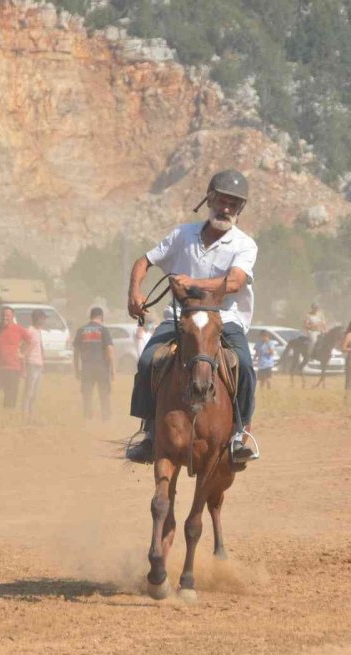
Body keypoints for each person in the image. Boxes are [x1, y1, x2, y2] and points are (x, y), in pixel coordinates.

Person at [125, 168, 258, 464]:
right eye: (221, 200)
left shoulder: (244, 244)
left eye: (232, 204)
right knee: (148, 361)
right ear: (209, 199)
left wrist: (193, 283)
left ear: (240, 209)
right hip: (180, 316)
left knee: (246, 367)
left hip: (225, 318)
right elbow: (144, 261)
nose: (225, 208)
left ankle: (239, 435)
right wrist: (135, 292)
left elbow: (234, 283)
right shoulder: (181, 235)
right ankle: (149, 433)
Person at [0, 305, 32, 410]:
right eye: (3, 315)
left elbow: (30, 342)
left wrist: (23, 354)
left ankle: (7, 419)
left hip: (13, 368)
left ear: (12, 316)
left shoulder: (18, 329)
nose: (5, 317)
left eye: (7, 315)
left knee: (10, 397)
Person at [73, 307, 115, 420]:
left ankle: (87, 418)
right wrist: (112, 370)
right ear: (101, 317)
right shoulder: (104, 330)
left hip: (87, 368)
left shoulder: (81, 330)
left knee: (87, 395)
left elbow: (76, 353)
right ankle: (106, 419)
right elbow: (109, 350)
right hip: (102, 368)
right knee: (104, 395)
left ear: (91, 317)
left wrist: (77, 370)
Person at [22, 309, 47, 419]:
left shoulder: (39, 331)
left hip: (39, 364)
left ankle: (31, 415)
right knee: (28, 391)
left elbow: (40, 347)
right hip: (31, 363)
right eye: (42, 318)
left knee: (35, 393)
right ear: (37, 318)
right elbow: (24, 347)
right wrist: (23, 365)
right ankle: (24, 414)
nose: (44, 320)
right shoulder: (29, 331)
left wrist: (43, 361)